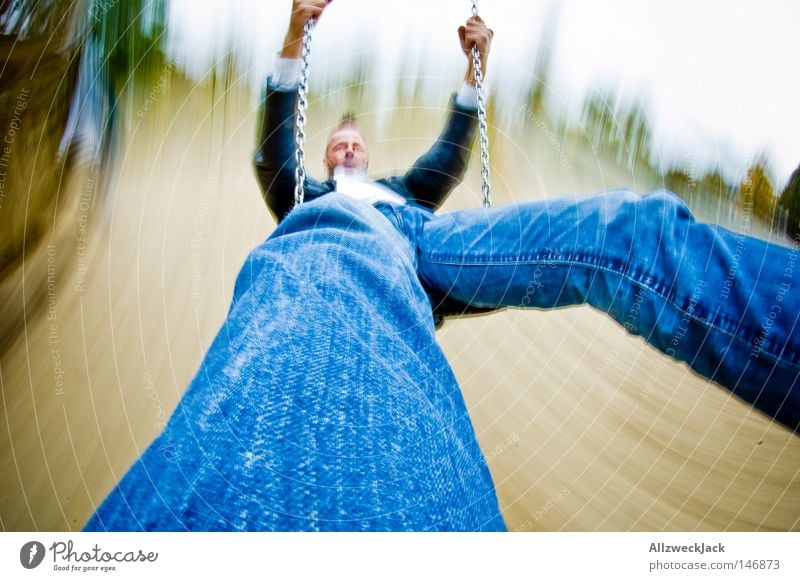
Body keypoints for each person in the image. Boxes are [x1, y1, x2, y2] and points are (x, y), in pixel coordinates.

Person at [84, 0, 798, 532]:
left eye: (355, 144)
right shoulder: (305, 201)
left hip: (427, 244)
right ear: (325, 157)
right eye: (337, 145)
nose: (347, 149)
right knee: (330, 272)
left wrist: (473, 69)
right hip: (340, 247)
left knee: (632, 230)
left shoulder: (402, 191)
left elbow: (450, 157)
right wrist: (297, 32)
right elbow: (271, 152)